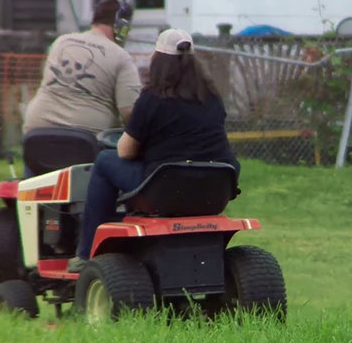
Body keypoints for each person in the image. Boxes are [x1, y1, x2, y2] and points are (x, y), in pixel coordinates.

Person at [67, 28, 240, 272]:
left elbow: (126, 152)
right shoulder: (212, 97)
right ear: (194, 62)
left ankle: (86, 254)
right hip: (214, 191)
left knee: (106, 160)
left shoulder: (152, 100)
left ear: (158, 61)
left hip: (166, 190)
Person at [23, 0, 141, 136]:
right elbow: (129, 112)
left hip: (37, 129)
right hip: (86, 138)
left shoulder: (61, 42)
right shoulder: (120, 56)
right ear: (122, 26)